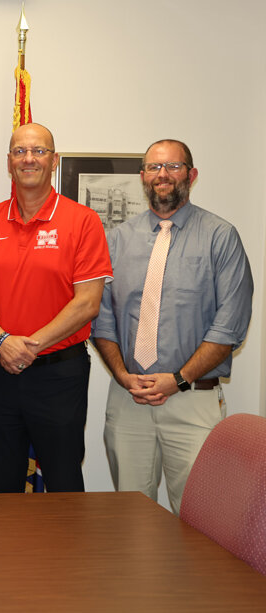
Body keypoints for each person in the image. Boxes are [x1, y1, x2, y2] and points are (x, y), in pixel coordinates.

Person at [92, 139, 253, 515]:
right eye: (153, 168)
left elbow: (228, 328)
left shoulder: (220, 237)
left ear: (191, 175)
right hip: (128, 398)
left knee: (200, 519)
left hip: (192, 401)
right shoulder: (115, 240)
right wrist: (121, 375)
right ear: (142, 177)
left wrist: (177, 379)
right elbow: (102, 320)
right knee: (131, 518)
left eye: (173, 167)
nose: (162, 175)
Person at [0, 123, 113, 493]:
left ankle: (66, 553)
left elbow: (88, 302)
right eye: (20, 151)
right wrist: (2, 341)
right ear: (8, 162)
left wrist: (28, 345)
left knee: (63, 482)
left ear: (54, 160)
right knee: (3, 485)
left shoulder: (83, 221)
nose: (28, 159)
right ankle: (7, 553)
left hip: (59, 375)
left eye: (38, 151)